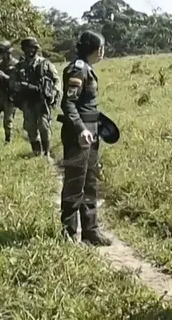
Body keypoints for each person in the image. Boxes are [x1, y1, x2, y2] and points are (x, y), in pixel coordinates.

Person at [57, 30, 112, 246]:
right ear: (95, 49)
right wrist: (80, 128)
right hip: (78, 134)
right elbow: (68, 103)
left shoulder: (87, 69)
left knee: (90, 182)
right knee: (74, 183)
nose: (102, 52)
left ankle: (91, 231)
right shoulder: (77, 69)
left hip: (91, 131)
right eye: (101, 48)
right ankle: (68, 233)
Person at [10, 36, 61, 159]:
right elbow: (12, 83)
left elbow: (56, 80)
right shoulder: (19, 66)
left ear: (36, 49)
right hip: (27, 101)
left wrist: (53, 94)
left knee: (44, 125)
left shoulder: (45, 64)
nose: (30, 51)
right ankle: (36, 153)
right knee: (30, 127)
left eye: (33, 48)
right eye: (28, 48)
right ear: (24, 50)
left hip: (41, 99)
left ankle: (47, 153)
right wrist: (20, 87)